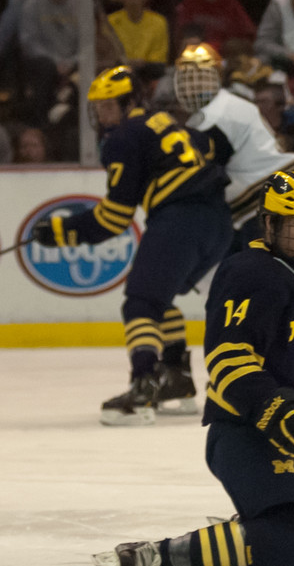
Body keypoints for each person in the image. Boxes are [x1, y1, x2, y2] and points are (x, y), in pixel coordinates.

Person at [91, 170, 294, 566]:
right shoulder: (248, 272)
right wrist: (278, 410)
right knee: (280, 546)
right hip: (246, 430)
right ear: (269, 225)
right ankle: (157, 555)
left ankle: (256, 531)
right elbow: (227, 359)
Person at [30, 65, 233, 425]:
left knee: (140, 302)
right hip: (217, 222)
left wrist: (61, 232)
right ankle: (176, 379)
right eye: (98, 108)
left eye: (108, 106)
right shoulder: (163, 121)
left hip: (181, 219)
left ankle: (143, 386)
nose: (102, 115)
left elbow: (114, 218)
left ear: (130, 102)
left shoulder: (123, 138)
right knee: (159, 299)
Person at [173, 42, 294, 252]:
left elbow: (204, 173)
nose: (193, 86)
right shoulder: (210, 113)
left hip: (275, 201)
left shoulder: (223, 113)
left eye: (201, 78)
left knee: (265, 276)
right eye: (187, 79)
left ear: (219, 77)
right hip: (258, 205)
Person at [17, 0, 77, 128]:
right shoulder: (32, 5)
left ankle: (81, 125)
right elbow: (28, 43)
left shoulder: (80, 6)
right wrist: (56, 62)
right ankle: (41, 126)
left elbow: (88, 44)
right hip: (43, 66)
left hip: (74, 65)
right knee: (45, 67)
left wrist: (71, 62)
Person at [174, 0, 256, 56]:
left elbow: (248, 32)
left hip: (225, 53)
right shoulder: (190, 2)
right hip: (198, 51)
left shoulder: (230, 3)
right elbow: (182, 28)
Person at [107, 0, 170, 79]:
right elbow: (110, 55)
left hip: (148, 74)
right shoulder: (111, 22)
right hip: (118, 73)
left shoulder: (158, 22)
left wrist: (141, 64)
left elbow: (159, 60)